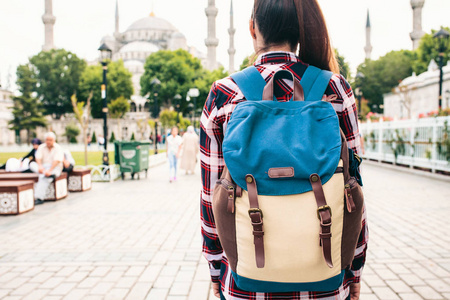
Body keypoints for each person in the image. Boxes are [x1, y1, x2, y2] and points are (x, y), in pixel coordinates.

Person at [200, 1, 368, 299]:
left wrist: (216, 267)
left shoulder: (224, 93)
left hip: (245, 279)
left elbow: (209, 195)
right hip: (325, 279)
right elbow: (353, 190)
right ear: (300, 29)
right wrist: (353, 270)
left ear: (253, 27)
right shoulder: (335, 88)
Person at [29, 132, 64, 205]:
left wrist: (50, 170)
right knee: (32, 164)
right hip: (43, 168)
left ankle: (39, 197)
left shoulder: (58, 148)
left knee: (45, 177)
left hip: (54, 167)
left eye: (50, 140)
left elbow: (56, 161)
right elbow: (38, 158)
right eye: (47, 140)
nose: (48, 142)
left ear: (54, 140)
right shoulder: (41, 147)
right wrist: (40, 167)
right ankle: (48, 174)